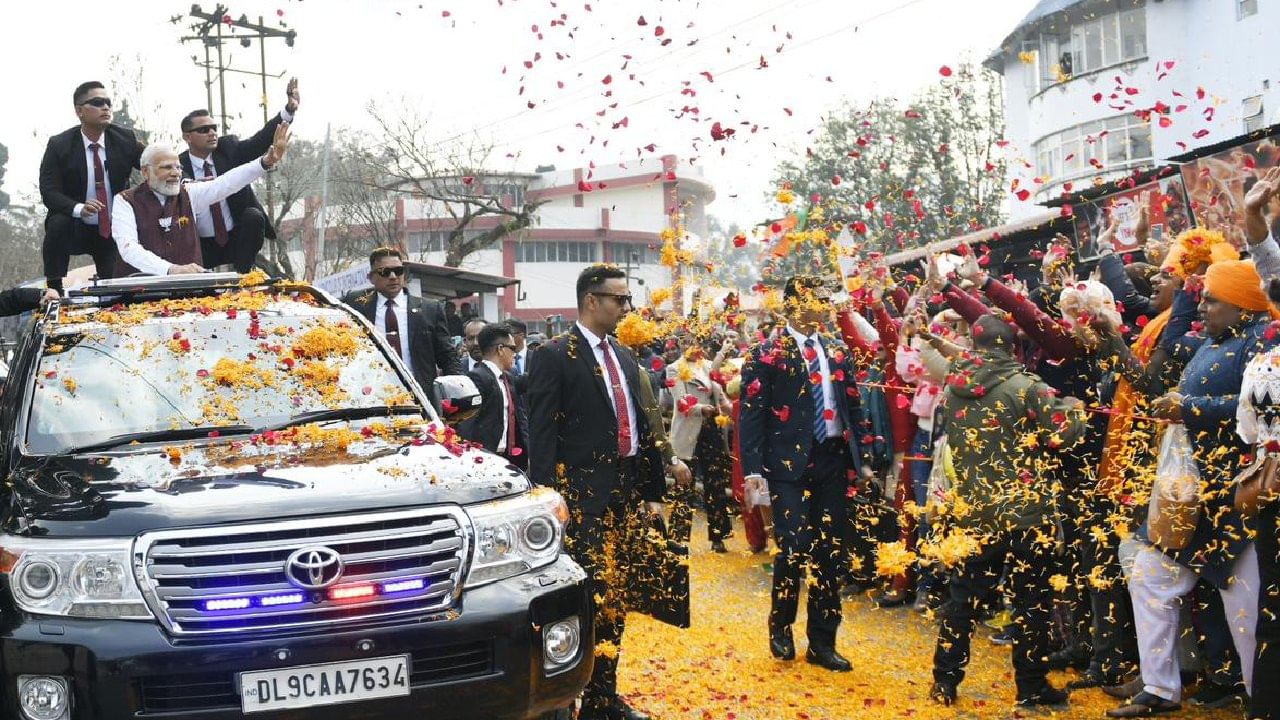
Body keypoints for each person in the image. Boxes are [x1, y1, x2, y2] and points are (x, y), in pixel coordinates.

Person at [1106, 259, 1279, 717]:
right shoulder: (1211, 341)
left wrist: (1191, 408)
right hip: (1188, 496)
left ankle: (1259, 699)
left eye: (1212, 298)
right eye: (1200, 296)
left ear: (1243, 304)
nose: (1201, 304)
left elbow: (1257, 407)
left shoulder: (1261, 342)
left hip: (1236, 497)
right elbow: (1174, 333)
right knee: (1148, 575)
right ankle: (1160, 687)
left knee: (1246, 612)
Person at [526, 264, 668, 720]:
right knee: (580, 599)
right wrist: (549, 496)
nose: (627, 308)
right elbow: (543, 432)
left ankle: (604, 697)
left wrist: (651, 490)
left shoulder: (624, 356)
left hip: (623, 494)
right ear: (592, 300)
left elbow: (640, 427)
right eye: (619, 299)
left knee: (617, 597)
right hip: (579, 499)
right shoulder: (553, 354)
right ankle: (564, 700)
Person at [926, 314, 1088, 709]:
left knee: (962, 600)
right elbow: (1060, 436)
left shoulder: (954, 386)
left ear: (977, 347)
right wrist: (1076, 410)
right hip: (1026, 514)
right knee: (1031, 603)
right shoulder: (1027, 387)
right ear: (1013, 348)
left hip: (974, 512)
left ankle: (945, 681)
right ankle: (1031, 687)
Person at [739, 275, 871, 673]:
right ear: (796, 303)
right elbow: (752, 415)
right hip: (786, 467)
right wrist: (753, 470)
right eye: (819, 300)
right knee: (793, 549)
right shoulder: (765, 353)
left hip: (831, 460)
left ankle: (823, 641)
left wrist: (861, 456)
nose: (826, 307)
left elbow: (852, 405)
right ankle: (781, 627)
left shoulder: (835, 349)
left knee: (830, 552)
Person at [111, 123, 291, 276]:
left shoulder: (188, 194)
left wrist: (265, 161)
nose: (175, 173)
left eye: (178, 167)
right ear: (145, 171)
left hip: (188, 294)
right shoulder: (125, 201)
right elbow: (128, 249)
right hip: (137, 294)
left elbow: (225, 183)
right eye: (166, 167)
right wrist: (171, 270)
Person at [178, 78, 299, 272]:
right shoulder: (178, 164)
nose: (211, 133)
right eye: (203, 130)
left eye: (214, 128)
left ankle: (244, 278)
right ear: (187, 137)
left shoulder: (229, 149)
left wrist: (289, 110)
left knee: (253, 216)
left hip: (236, 238)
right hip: (201, 246)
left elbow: (259, 141)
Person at [38, 81, 145, 292]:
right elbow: (49, 191)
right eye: (97, 103)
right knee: (58, 221)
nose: (105, 107)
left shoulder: (125, 139)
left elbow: (156, 162)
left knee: (115, 288)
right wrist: (79, 208)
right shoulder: (59, 144)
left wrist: (184, 179)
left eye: (108, 103)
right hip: (75, 225)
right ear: (79, 111)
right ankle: (54, 286)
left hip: (111, 226)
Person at [346, 247, 463, 393]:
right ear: (371, 278)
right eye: (385, 272)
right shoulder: (356, 304)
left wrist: (459, 391)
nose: (393, 276)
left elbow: (447, 356)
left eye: (398, 271)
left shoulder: (429, 309)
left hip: (420, 396)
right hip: (372, 396)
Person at [668, 337, 734, 552]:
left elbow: (720, 395)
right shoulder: (674, 368)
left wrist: (727, 405)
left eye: (695, 342)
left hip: (711, 431)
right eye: (686, 342)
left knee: (715, 484)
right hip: (688, 433)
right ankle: (678, 537)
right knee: (684, 485)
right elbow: (681, 402)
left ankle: (718, 536)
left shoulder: (707, 366)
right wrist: (703, 409)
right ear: (679, 345)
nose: (690, 346)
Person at [460, 323, 528, 467]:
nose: (515, 354)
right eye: (512, 348)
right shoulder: (478, 377)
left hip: (508, 459)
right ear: (501, 349)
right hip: (483, 461)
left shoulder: (507, 378)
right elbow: (467, 425)